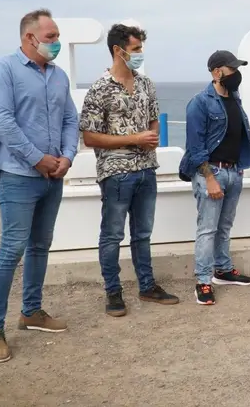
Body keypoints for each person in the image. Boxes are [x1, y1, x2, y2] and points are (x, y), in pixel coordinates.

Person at [0, 9, 79, 363]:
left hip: (53, 175)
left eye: (56, 36)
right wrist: (38, 158)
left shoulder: (58, 76)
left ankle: (32, 312)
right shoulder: (1, 70)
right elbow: (1, 121)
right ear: (29, 38)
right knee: (12, 249)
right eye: (51, 37)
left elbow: (70, 119)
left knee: (41, 245)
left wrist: (67, 156)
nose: (56, 42)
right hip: (18, 175)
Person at [79, 23, 179, 317]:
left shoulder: (146, 84)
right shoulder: (99, 89)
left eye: (140, 48)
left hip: (147, 169)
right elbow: (89, 136)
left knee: (143, 233)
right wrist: (134, 139)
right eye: (135, 49)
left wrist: (151, 135)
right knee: (112, 235)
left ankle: (147, 286)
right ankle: (113, 292)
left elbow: (153, 119)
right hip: (116, 172)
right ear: (118, 50)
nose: (140, 54)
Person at [179, 50, 250, 306]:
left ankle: (223, 270)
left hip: (234, 171)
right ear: (216, 72)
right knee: (207, 229)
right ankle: (203, 280)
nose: (236, 74)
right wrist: (209, 178)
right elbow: (195, 146)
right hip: (211, 173)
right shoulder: (200, 102)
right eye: (232, 69)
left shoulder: (234, 98)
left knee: (224, 226)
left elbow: (238, 135)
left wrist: (239, 166)